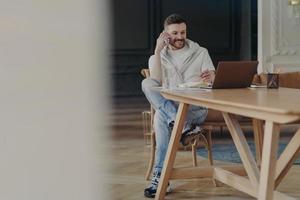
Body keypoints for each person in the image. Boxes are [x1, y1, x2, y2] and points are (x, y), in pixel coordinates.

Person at [141, 13, 215, 198]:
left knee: (160, 117)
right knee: (147, 84)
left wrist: (212, 78)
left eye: (183, 32)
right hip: (174, 110)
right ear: (165, 34)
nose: (180, 37)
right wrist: (158, 51)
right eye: (175, 33)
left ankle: (159, 178)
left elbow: (213, 81)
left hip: (195, 109)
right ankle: (182, 125)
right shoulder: (158, 56)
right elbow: (155, 81)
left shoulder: (201, 52)